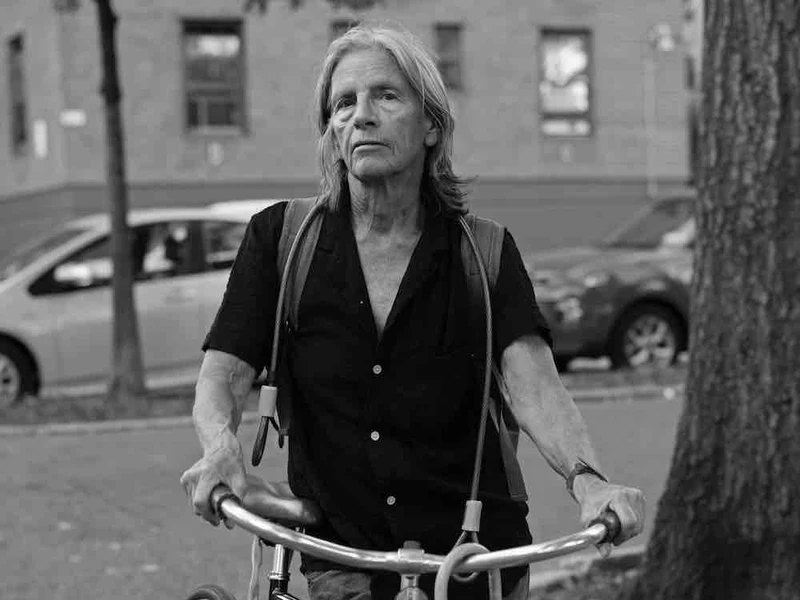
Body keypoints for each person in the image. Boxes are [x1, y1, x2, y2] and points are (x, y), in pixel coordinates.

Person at [180, 23, 645, 600]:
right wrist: (220, 447)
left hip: (476, 562)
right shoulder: (280, 241)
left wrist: (589, 483)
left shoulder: (486, 252)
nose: (361, 115)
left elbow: (536, 389)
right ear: (330, 130)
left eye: (386, 96)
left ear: (431, 125)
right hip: (341, 560)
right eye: (343, 103)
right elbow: (223, 375)